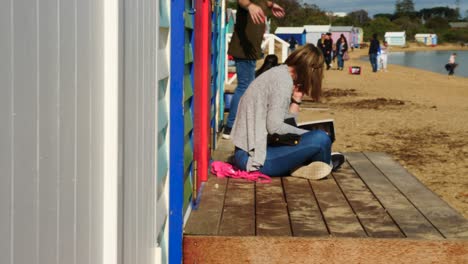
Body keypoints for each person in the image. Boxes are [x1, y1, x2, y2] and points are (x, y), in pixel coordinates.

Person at [230, 44, 345, 180]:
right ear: (311, 68)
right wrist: (309, 134)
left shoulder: (279, 73)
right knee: (321, 138)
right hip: (253, 159)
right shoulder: (282, 81)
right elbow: (275, 127)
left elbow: (285, 123)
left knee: (319, 140)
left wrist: (296, 100)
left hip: (250, 152)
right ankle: (323, 164)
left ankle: (313, 164)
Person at [223, 0, 285, 139]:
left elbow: (265, 2)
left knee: (248, 87)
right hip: (243, 50)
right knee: (244, 87)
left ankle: (238, 125)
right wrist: (250, 6)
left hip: (250, 51)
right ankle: (230, 127)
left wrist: (272, 5)